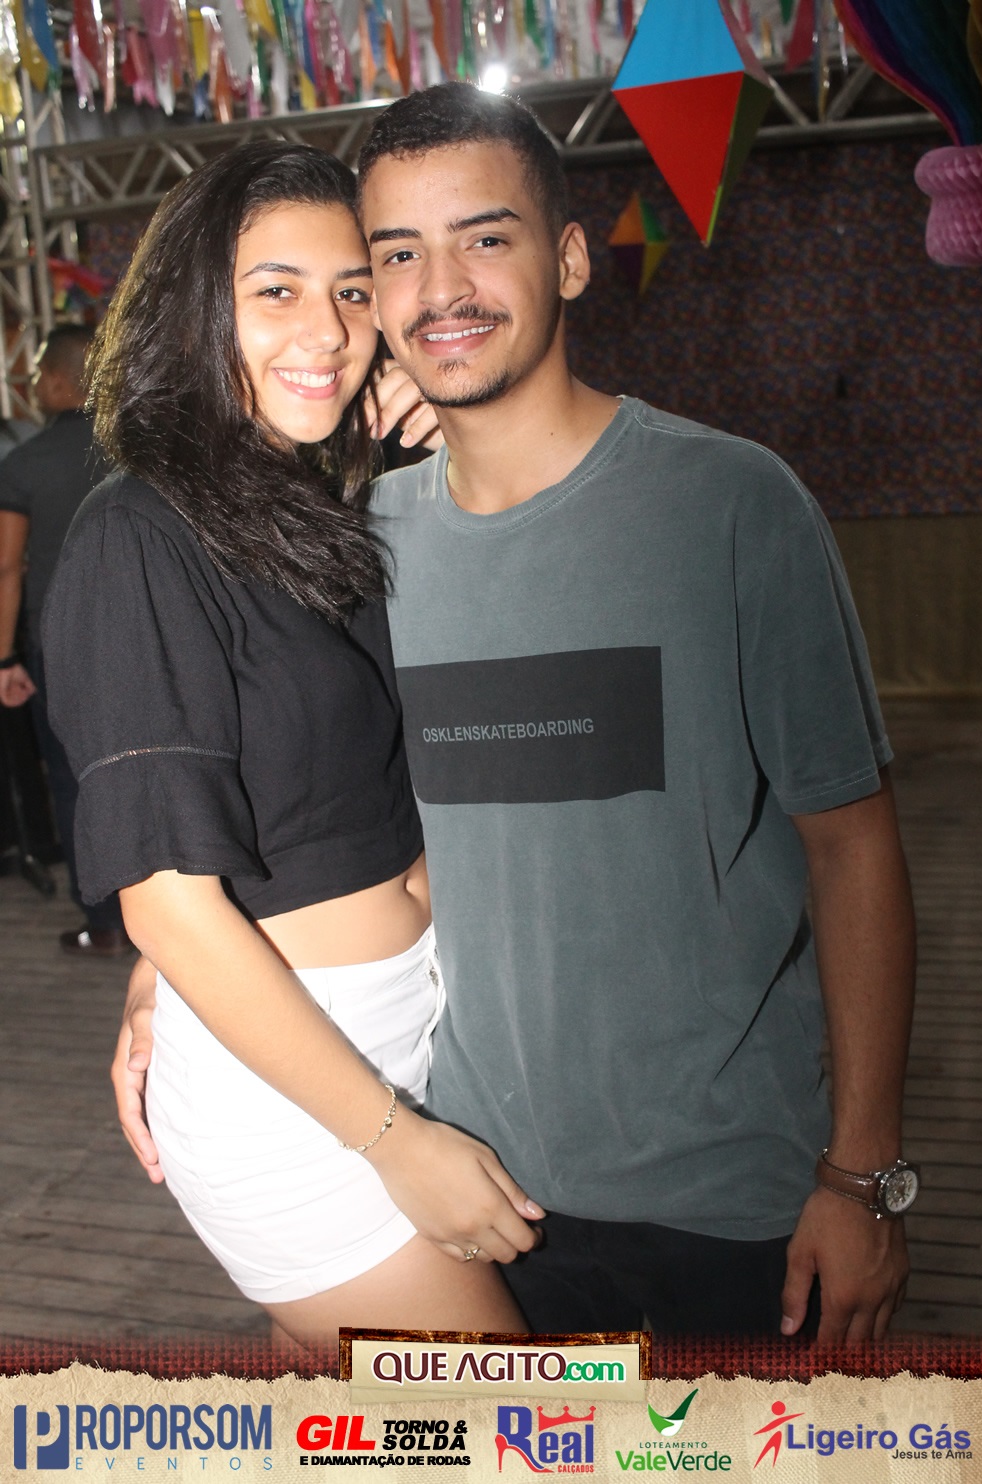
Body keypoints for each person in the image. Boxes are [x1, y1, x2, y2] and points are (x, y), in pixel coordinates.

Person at [116, 87, 917, 1344]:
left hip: (733, 1199)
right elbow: (293, 788)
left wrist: (861, 1171)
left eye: (484, 238)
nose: (442, 288)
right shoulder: (360, 543)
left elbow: (853, 845)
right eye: (396, 256)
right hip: (469, 1185)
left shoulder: (730, 503)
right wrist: (159, 971)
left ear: (570, 258)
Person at [43, 140, 540, 1349]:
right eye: (276, 290)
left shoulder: (320, 505)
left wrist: (456, 427)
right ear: (194, 307)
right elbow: (173, 905)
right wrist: (394, 1138)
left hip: (406, 1032)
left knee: (352, 1415)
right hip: (299, 1101)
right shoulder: (137, 534)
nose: (326, 330)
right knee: (523, 1423)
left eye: (352, 291)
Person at [0, 325, 129, 952]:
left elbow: (6, 569)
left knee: (74, 781)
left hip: (63, 645)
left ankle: (105, 924)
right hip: (141, 634)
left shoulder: (23, 464)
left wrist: (5, 658)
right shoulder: (136, 446)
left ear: (56, 381)